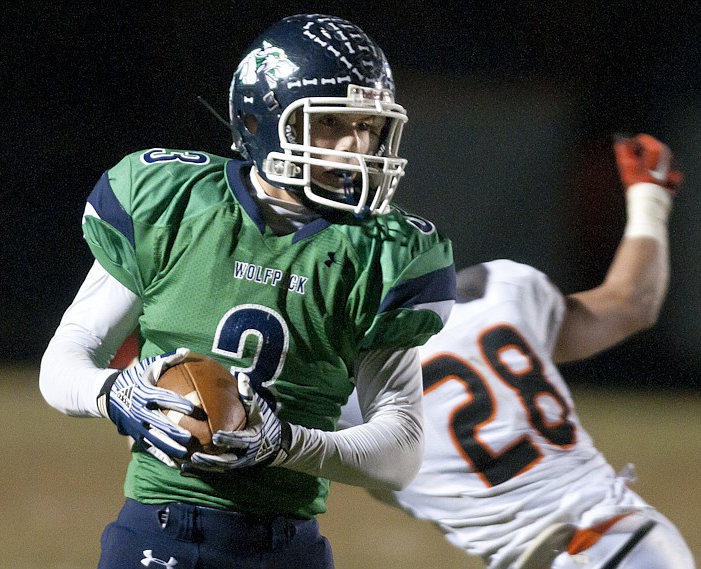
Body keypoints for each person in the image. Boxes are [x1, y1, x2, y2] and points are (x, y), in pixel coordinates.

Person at [39, 13, 456, 569]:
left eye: (368, 126)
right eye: (332, 123)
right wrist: (115, 394)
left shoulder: (382, 252)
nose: (357, 146)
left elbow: (401, 447)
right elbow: (64, 361)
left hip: (289, 545)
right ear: (261, 121)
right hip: (161, 529)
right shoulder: (174, 204)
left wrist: (285, 444)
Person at [341, 133, 695, 568]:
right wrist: (650, 197)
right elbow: (630, 303)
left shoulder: (335, 375)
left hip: (574, 555)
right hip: (630, 538)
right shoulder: (501, 293)